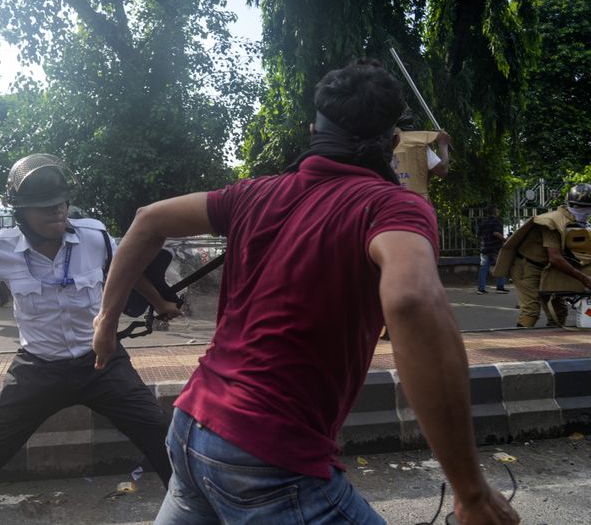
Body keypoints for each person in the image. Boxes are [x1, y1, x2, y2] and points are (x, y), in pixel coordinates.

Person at [93, 59, 519, 524]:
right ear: (394, 140)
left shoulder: (253, 194)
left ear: (312, 129)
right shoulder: (393, 207)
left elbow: (147, 219)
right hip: (269, 459)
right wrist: (471, 493)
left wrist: (106, 321)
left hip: (192, 428)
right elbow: (412, 300)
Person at [0, 153, 179, 525]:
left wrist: (161, 303)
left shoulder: (95, 235)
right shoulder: (1, 247)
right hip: (37, 369)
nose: (57, 213)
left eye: (60, 204)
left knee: (162, 436)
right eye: (44, 208)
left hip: (102, 362)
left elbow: (128, 270)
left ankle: (201, 513)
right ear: (20, 212)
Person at [495, 183, 591, 327]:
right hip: (527, 267)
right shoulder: (552, 222)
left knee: (558, 313)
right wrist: (584, 279)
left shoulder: (575, 224)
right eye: (578, 207)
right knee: (530, 311)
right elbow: (555, 257)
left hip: (548, 268)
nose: (582, 211)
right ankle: (519, 345)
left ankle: (551, 345)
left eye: (585, 207)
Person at [392, 111, 451, 201]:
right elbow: (442, 170)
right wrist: (443, 145)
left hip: (389, 205)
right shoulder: (418, 146)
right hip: (416, 206)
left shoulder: (377, 146)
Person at [477, 205, 508, 294]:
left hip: (485, 248)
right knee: (500, 266)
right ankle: (500, 287)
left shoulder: (483, 222)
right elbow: (496, 233)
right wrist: (505, 240)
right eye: (498, 210)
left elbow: (479, 235)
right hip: (495, 248)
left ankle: (481, 289)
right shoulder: (496, 222)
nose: (499, 212)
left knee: (484, 268)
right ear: (495, 212)